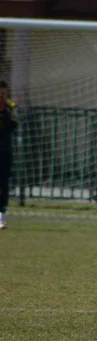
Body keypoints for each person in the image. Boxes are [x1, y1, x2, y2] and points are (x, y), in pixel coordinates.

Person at [0, 80, 16, 230]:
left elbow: (13, 126)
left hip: (4, 151)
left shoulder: (11, 107)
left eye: (4, 92)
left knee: (3, 184)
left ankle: (1, 217)